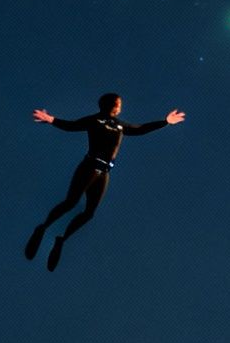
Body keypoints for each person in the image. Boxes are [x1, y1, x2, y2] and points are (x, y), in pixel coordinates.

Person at [25, 94, 186, 270]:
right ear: (110, 105)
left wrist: (165, 122)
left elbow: (140, 129)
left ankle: (61, 240)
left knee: (89, 213)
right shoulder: (94, 120)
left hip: (104, 173)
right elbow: (71, 126)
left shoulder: (119, 125)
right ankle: (42, 228)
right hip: (89, 167)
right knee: (71, 202)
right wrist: (50, 119)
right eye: (118, 103)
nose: (120, 107)